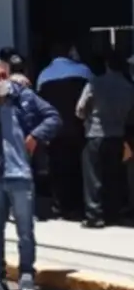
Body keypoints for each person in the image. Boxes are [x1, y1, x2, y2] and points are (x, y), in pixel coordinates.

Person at [0, 58, 61, 290]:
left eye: (2, 77)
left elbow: (53, 116)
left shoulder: (25, 97)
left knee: (25, 230)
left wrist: (35, 136)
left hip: (20, 173)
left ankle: (26, 277)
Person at [76, 51, 134, 227]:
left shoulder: (95, 83)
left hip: (96, 133)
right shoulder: (130, 87)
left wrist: (87, 119)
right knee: (114, 176)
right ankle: (113, 213)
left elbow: (80, 109)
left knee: (93, 177)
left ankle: (94, 215)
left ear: (107, 64)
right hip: (117, 134)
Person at [36, 41, 93, 220]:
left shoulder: (44, 75)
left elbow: (39, 105)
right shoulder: (84, 71)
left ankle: (60, 205)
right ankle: (79, 205)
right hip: (78, 128)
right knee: (79, 168)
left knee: (58, 169)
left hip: (55, 132)